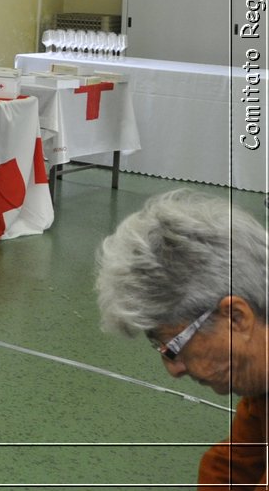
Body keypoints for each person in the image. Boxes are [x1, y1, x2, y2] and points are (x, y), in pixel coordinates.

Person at [96, 189, 269, 488]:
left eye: (174, 346)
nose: (173, 369)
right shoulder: (259, 385)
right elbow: (230, 470)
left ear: (236, 317)